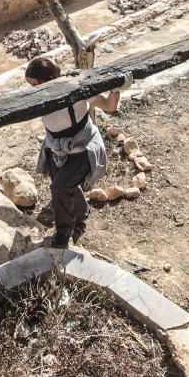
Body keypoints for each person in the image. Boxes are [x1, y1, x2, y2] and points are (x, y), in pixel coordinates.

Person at [25, 57, 126, 248]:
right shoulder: (36, 98)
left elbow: (110, 106)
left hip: (82, 148)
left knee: (59, 187)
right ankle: (81, 213)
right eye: (30, 86)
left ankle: (64, 230)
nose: (32, 91)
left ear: (49, 81)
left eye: (35, 85)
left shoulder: (77, 88)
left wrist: (116, 87)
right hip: (56, 147)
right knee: (63, 184)